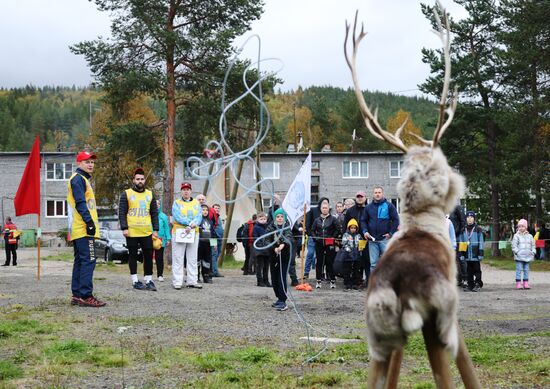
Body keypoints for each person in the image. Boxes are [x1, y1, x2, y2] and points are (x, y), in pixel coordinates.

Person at [67, 151, 106, 307]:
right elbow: (80, 203)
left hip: (79, 228)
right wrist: (89, 222)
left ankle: (77, 295)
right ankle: (86, 295)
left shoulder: (82, 179)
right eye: (87, 161)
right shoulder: (78, 179)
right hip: (83, 228)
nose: (91, 164)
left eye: (92, 162)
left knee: (80, 261)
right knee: (89, 260)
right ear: (79, 163)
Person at [119, 168, 159, 291]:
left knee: (148, 256)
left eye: (142, 179)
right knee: (132, 256)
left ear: (144, 180)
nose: (140, 181)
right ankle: (135, 280)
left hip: (146, 231)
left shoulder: (150, 194)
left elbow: (154, 213)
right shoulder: (126, 194)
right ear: (134, 180)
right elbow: (122, 212)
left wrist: (155, 229)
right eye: (138, 179)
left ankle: (148, 280)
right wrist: (124, 228)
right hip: (132, 232)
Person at [360, 186, 399, 272]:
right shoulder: (368, 207)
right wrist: (365, 231)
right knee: (373, 264)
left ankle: (387, 283)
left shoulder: (389, 206)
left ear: (382, 193)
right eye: (375, 193)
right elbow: (363, 221)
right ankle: (375, 284)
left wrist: (391, 233)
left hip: (385, 239)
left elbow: (396, 220)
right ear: (373, 194)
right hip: (372, 240)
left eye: (379, 192)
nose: (377, 194)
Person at [172, 182, 203, 289]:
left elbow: (199, 216)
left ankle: (192, 281)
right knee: (178, 257)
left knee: (193, 257)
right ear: (181, 191)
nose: (186, 191)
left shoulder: (196, 203)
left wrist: (193, 225)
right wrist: (189, 224)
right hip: (180, 231)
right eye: (184, 189)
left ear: (191, 191)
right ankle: (177, 281)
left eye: (188, 189)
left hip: (193, 232)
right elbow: (177, 216)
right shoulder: (177, 203)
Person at [267, 209, 293, 311]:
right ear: (275, 218)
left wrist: (282, 245)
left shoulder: (286, 227)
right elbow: (266, 239)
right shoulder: (271, 227)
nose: (280, 218)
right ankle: (279, 298)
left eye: (282, 216)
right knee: (274, 279)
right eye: (278, 217)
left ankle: (283, 300)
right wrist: (274, 248)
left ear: (285, 218)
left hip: (284, 256)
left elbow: (288, 237)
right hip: (273, 256)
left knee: (281, 278)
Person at [312, 202, 341, 289]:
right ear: (321, 209)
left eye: (326, 208)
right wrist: (315, 238)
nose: (324, 209)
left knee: (330, 262)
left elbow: (338, 229)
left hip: (329, 243)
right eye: (323, 208)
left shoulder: (333, 219)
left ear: (329, 209)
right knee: (319, 262)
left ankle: (332, 280)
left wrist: (333, 237)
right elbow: (312, 230)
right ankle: (318, 280)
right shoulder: (317, 220)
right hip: (319, 243)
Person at [344, 191, 369, 287]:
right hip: (352, 240)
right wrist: (345, 237)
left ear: (365, 198)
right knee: (353, 261)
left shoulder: (368, 209)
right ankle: (353, 281)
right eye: (358, 197)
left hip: (365, 239)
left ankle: (365, 280)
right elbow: (345, 224)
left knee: (365, 260)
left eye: (361, 197)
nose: (360, 198)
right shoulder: (350, 211)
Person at [458, 211, 484, 292]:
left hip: (475, 254)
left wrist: (480, 254)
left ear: (474, 219)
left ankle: (478, 284)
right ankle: (470, 284)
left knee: (477, 270)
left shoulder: (478, 229)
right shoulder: (463, 230)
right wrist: (462, 254)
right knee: (469, 271)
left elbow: (481, 243)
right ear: (466, 219)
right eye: (468, 217)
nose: (470, 219)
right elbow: (461, 243)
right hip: (467, 255)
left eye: (471, 217)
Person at [304, 197, 329, 279]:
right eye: (323, 202)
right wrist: (310, 234)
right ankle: (306, 272)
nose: (325, 204)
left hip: (323, 238)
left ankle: (321, 273)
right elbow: (307, 224)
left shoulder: (328, 213)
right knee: (310, 254)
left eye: (326, 203)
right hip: (312, 236)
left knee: (321, 256)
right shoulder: (312, 210)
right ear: (320, 203)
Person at [512, 219, 535, 290]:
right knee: (519, 270)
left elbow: (533, 245)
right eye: (519, 226)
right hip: (519, 256)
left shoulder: (530, 236)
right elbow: (514, 246)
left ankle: (526, 282)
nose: (521, 228)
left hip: (528, 256)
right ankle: (518, 283)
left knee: (526, 270)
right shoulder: (516, 236)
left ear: (526, 227)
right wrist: (517, 252)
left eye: (522, 226)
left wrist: (533, 251)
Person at [339, 219, 362, 290]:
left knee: (356, 270)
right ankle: (347, 283)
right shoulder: (346, 235)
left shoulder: (358, 235)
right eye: (351, 228)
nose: (353, 229)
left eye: (354, 228)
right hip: (348, 255)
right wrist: (349, 250)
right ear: (349, 228)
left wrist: (360, 248)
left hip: (357, 255)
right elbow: (344, 244)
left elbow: (360, 243)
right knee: (347, 270)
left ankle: (355, 283)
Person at [449, 204, 467, 287]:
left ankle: (465, 278)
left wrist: (458, 234)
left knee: (461, 258)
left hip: (458, 237)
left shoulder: (457, 207)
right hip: (447, 237)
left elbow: (463, 222)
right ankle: (457, 279)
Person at [252, 212, 271, 287]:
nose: (263, 220)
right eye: (261, 219)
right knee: (259, 266)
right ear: (258, 219)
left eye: (264, 219)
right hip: (259, 250)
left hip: (267, 250)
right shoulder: (256, 227)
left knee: (266, 266)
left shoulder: (268, 227)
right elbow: (255, 238)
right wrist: (262, 245)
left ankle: (266, 280)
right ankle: (259, 281)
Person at [154, 199, 171, 282]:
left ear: (160, 206)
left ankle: (160, 275)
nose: (157, 205)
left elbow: (167, 228)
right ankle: (147, 274)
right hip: (149, 238)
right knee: (147, 257)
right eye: (155, 204)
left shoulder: (163, 216)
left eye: (158, 204)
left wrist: (168, 238)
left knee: (159, 258)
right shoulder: (149, 215)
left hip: (160, 239)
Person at [197, 204, 214, 284]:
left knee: (206, 261)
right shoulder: (198, 220)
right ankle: (196, 277)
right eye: (203, 210)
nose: (205, 211)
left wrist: (214, 244)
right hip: (199, 244)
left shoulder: (210, 221)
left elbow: (213, 233)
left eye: (206, 210)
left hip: (208, 244)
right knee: (197, 261)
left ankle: (206, 276)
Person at [210, 203, 224, 277]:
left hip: (220, 238)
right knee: (214, 254)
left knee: (218, 253)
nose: (217, 209)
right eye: (216, 208)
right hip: (213, 238)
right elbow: (212, 229)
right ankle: (214, 271)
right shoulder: (212, 217)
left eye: (218, 208)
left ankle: (213, 269)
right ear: (213, 209)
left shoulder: (219, 218)